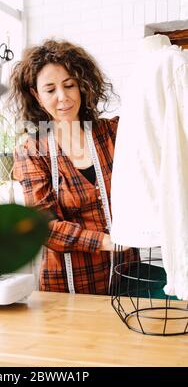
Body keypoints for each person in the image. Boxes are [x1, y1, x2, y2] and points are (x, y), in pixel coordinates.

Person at [8, 39, 135, 294]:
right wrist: (106, 241)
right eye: (50, 89)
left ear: (82, 86)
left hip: (127, 279)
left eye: (69, 85)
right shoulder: (32, 152)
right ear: (36, 95)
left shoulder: (112, 133)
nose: (63, 97)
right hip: (68, 288)